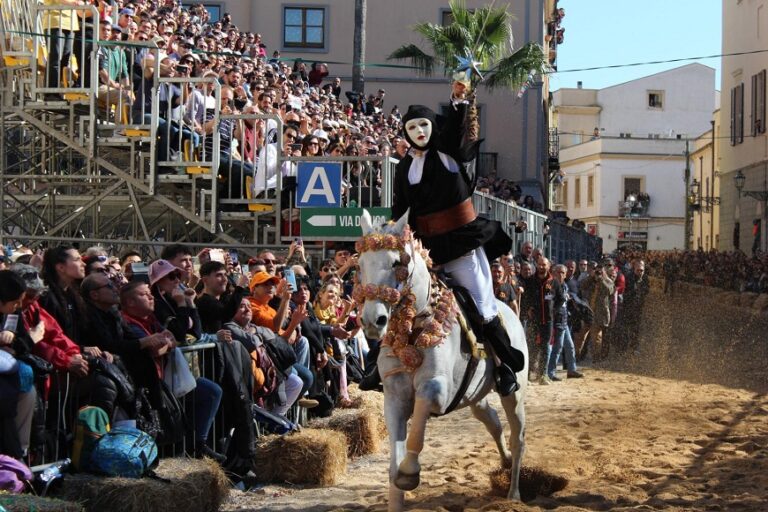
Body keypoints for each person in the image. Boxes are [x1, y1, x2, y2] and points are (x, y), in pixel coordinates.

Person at [379, 80, 523, 396]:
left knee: (483, 306)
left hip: (462, 243)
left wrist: (458, 100)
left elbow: (457, 129)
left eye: (424, 125)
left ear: (433, 127)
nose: (418, 131)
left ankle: (504, 368)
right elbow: (400, 209)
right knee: (399, 301)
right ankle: (381, 369)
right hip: (428, 250)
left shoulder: (448, 153)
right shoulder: (404, 168)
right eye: (412, 126)